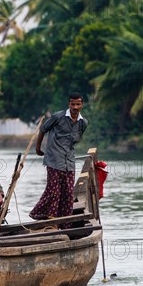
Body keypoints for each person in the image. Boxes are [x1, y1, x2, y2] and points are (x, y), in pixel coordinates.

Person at [29, 93, 88, 228]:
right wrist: (38, 149)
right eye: (72, 104)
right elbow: (43, 130)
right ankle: (50, 220)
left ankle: (65, 223)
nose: (75, 107)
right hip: (54, 159)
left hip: (69, 162)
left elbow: (75, 140)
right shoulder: (58, 116)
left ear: (82, 105)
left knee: (67, 193)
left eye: (78, 104)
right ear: (69, 104)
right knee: (54, 191)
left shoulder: (83, 123)